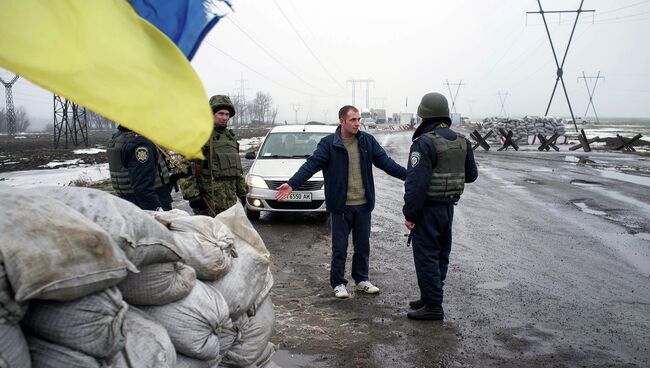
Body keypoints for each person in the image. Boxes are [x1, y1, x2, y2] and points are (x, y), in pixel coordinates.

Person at [276, 105, 407, 299]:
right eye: (353, 120)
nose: (357, 124)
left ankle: (362, 280)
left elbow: (387, 164)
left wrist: (410, 176)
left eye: (358, 119)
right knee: (340, 248)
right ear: (342, 121)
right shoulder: (329, 144)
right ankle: (338, 283)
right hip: (340, 206)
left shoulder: (367, 141)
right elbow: (311, 165)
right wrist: (292, 184)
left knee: (363, 246)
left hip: (363, 204)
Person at [402, 92, 478, 320]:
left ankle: (434, 306)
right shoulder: (462, 141)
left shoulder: (424, 143)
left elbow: (416, 184)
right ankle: (430, 297)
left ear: (424, 115)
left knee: (426, 256)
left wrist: (410, 214)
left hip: (427, 210)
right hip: (448, 208)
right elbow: (471, 175)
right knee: (441, 255)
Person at [179, 95, 248, 216]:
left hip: (230, 202)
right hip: (209, 202)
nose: (225, 117)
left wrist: (242, 193)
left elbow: (237, 169)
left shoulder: (229, 137)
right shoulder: (201, 136)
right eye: (221, 114)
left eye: (227, 114)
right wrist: (193, 196)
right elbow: (185, 167)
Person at [107, 125, 173, 211]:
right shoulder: (140, 144)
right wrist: (157, 210)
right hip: (149, 203)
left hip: (130, 202)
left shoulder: (120, 137)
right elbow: (142, 187)